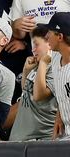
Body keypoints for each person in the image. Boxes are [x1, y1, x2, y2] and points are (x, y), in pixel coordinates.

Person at [8, 26, 57, 141]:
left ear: (49, 44)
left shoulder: (56, 67)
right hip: (21, 135)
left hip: (40, 138)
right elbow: (27, 92)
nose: (33, 49)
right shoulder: (38, 65)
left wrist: (43, 64)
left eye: (36, 44)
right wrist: (26, 70)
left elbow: (38, 96)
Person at [39, 12, 70, 140]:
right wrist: (59, 115)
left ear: (60, 36)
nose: (46, 36)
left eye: (49, 32)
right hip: (65, 132)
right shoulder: (56, 57)